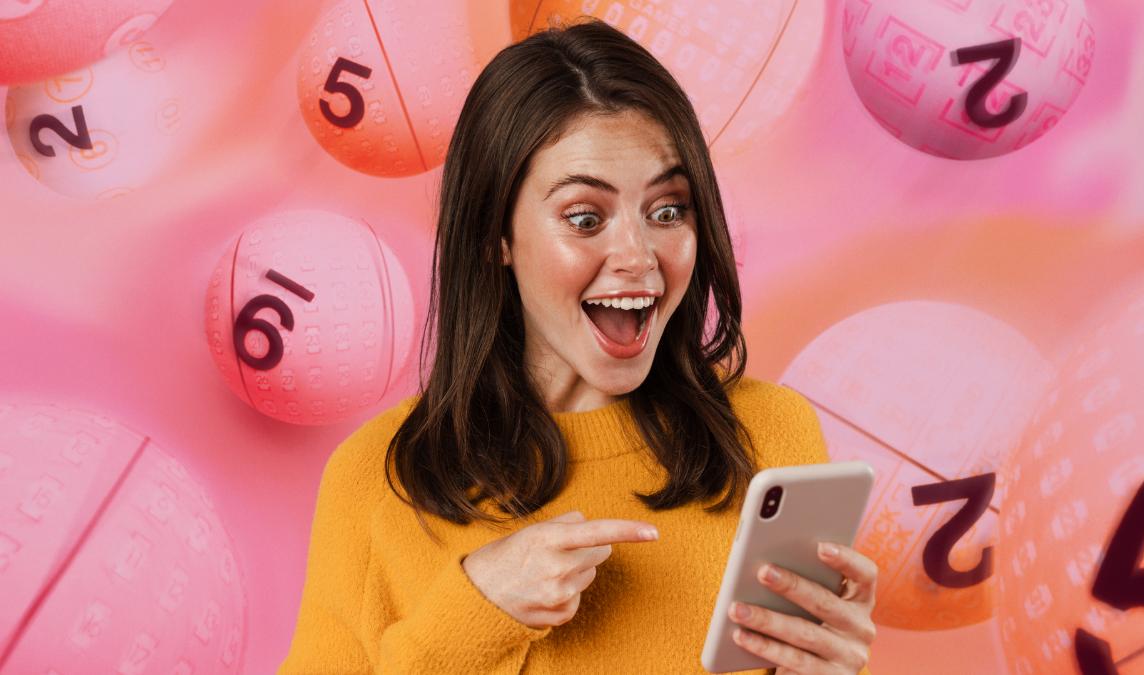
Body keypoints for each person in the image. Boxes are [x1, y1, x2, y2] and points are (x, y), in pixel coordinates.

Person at [278, 19, 876, 675]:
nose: (638, 256)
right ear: (494, 236)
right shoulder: (378, 478)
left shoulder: (769, 437)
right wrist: (473, 613)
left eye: (668, 210)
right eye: (585, 217)